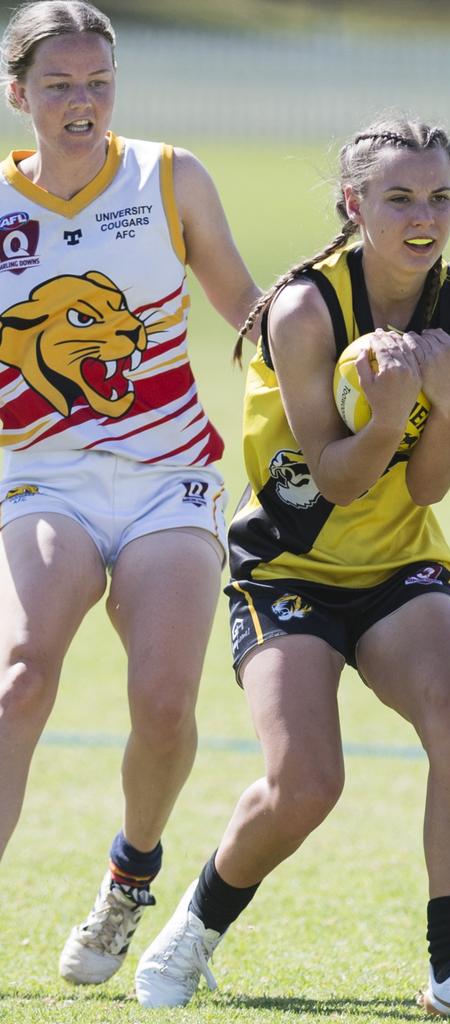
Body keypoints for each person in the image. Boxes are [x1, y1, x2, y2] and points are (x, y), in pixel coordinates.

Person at [134, 115, 450, 1022]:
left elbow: (431, 486)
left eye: (440, 196)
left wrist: (441, 413)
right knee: (308, 784)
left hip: (399, 565)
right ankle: (196, 927)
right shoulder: (303, 311)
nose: (423, 215)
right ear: (354, 205)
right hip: (289, 564)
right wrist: (389, 410)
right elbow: (334, 482)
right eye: (398, 197)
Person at [0, 0, 260, 987]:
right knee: (20, 678)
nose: (82, 102)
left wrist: (337, 334)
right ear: (17, 94)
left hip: (169, 481)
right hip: (46, 478)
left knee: (162, 701)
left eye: (98, 82)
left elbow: (247, 308)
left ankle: (128, 877)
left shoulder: (168, 177)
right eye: (59, 85)